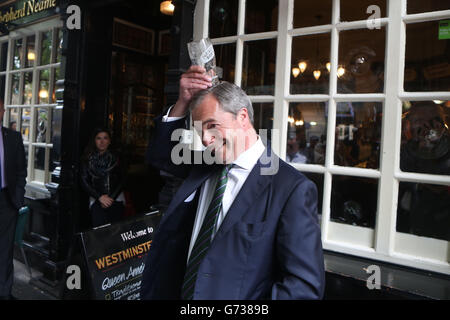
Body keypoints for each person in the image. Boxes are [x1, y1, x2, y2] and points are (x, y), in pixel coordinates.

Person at [141, 66, 324, 300]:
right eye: (200, 130)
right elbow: (161, 156)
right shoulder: (204, 166)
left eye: (212, 125)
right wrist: (182, 102)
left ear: (243, 117)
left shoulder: (291, 189)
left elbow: (303, 289)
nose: (205, 139)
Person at [0, 101, 27, 300]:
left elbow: (20, 171)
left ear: (2, 111)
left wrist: (17, 198)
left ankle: (4, 292)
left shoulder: (13, 137)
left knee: (5, 251)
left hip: (6, 200)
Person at [80, 128, 125, 228]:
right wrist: (100, 197)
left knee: (116, 232)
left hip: (116, 200)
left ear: (109, 141)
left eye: (105, 138)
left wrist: (110, 199)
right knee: (99, 233)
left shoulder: (117, 158)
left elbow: (123, 179)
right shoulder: (87, 159)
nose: (102, 141)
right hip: (97, 201)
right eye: (98, 138)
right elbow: (84, 181)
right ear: (94, 141)